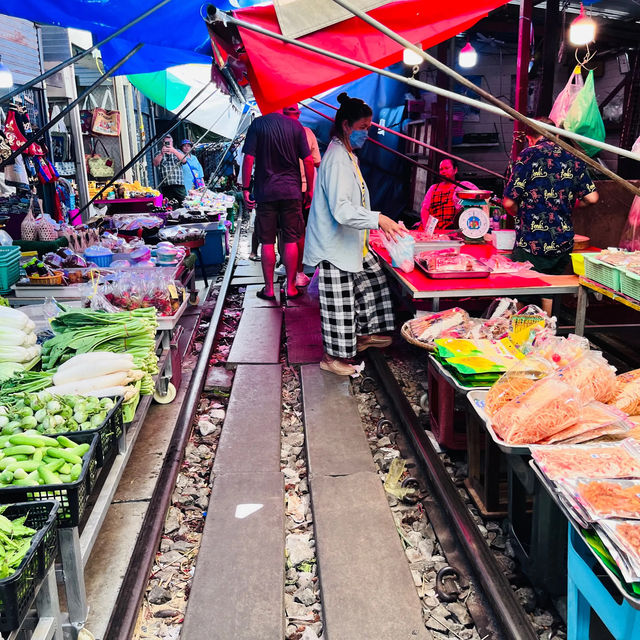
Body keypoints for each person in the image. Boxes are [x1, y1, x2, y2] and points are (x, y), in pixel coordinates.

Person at [303, 92, 406, 376]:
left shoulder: (349, 155)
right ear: (346, 125)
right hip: (333, 246)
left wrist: (374, 226)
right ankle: (332, 357)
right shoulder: (336, 158)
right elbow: (342, 210)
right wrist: (379, 219)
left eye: (369, 128)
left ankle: (364, 334)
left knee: (373, 282)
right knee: (340, 305)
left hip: (352, 243)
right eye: (362, 128)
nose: (366, 133)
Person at [502, 116, 599, 275]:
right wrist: (569, 205)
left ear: (529, 138)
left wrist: (518, 214)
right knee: (551, 290)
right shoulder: (572, 156)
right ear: (556, 135)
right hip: (563, 242)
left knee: (524, 292)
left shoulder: (529, 155)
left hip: (532, 242)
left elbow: (508, 203)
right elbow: (592, 198)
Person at [242, 109, 315, 300]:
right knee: (291, 239)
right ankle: (291, 288)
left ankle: (268, 289)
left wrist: (245, 188)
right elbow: (308, 160)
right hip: (291, 191)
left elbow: (248, 158)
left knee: (267, 242)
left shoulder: (258, 124)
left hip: (266, 192)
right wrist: (309, 189)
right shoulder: (296, 126)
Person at [282, 104, 322, 287]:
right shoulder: (306, 132)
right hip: (301, 190)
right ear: (298, 113)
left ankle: (287, 269)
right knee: (300, 232)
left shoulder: (275, 133)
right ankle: (298, 273)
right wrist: (311, 189)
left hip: (279, 190)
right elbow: (314, 162)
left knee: (284, 232)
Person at [420, 158, 478, 231]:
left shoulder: (463, 186)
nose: (443, 172)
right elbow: (425, 209)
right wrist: (427, 229)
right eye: (441, 169)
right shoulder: (433, 188)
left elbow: (480, 199)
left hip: (453, 229)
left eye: (446, 168)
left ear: (455, 170)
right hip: (433, 229)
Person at [153, 134, 187, 204]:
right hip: (166, 186)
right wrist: (162, 154)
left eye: (169, 142)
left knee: (184, 204)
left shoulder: (178, 151)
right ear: (163, 143)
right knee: (168, 205)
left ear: (172, 142)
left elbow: (184, 160)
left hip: (179, 185)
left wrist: (173, 151)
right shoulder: (159, 153)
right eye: (166, 142)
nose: (168, 144)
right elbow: (155, 164)